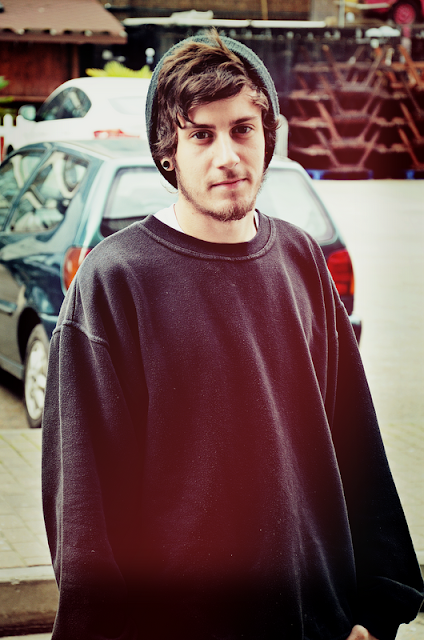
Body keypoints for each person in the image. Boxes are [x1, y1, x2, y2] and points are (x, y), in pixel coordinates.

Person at [42, 30, 424, 640]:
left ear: (268, 137)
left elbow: (354, 438)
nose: (227, 156)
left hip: (318, 621)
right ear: (168, 151)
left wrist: (378, 609)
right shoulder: (115, 281)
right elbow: (85, 509)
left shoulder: (300, 257)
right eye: (201, 134)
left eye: (243, 129)